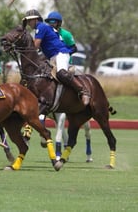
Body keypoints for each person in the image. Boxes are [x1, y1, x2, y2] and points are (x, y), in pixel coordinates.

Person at [45, 11, 93, 162]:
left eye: (54, 22)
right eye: (49, 22)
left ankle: (80, 92)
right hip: (51, 63)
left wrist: (63, 50)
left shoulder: (65, 34)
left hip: (65, 63)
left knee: (65, 77)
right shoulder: (47, 34)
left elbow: (74, 48)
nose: (51, 24)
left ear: (59, 23)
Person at [22, 9, 90, 106]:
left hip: (61, 53)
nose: (28, 23)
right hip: (52, 56)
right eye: (27, 21)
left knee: (61, 73)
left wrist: (22, 48)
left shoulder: (41, 27)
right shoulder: (42, 28)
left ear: (36, 19)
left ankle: (83, 91)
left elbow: (35, 46)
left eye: (30, 20)